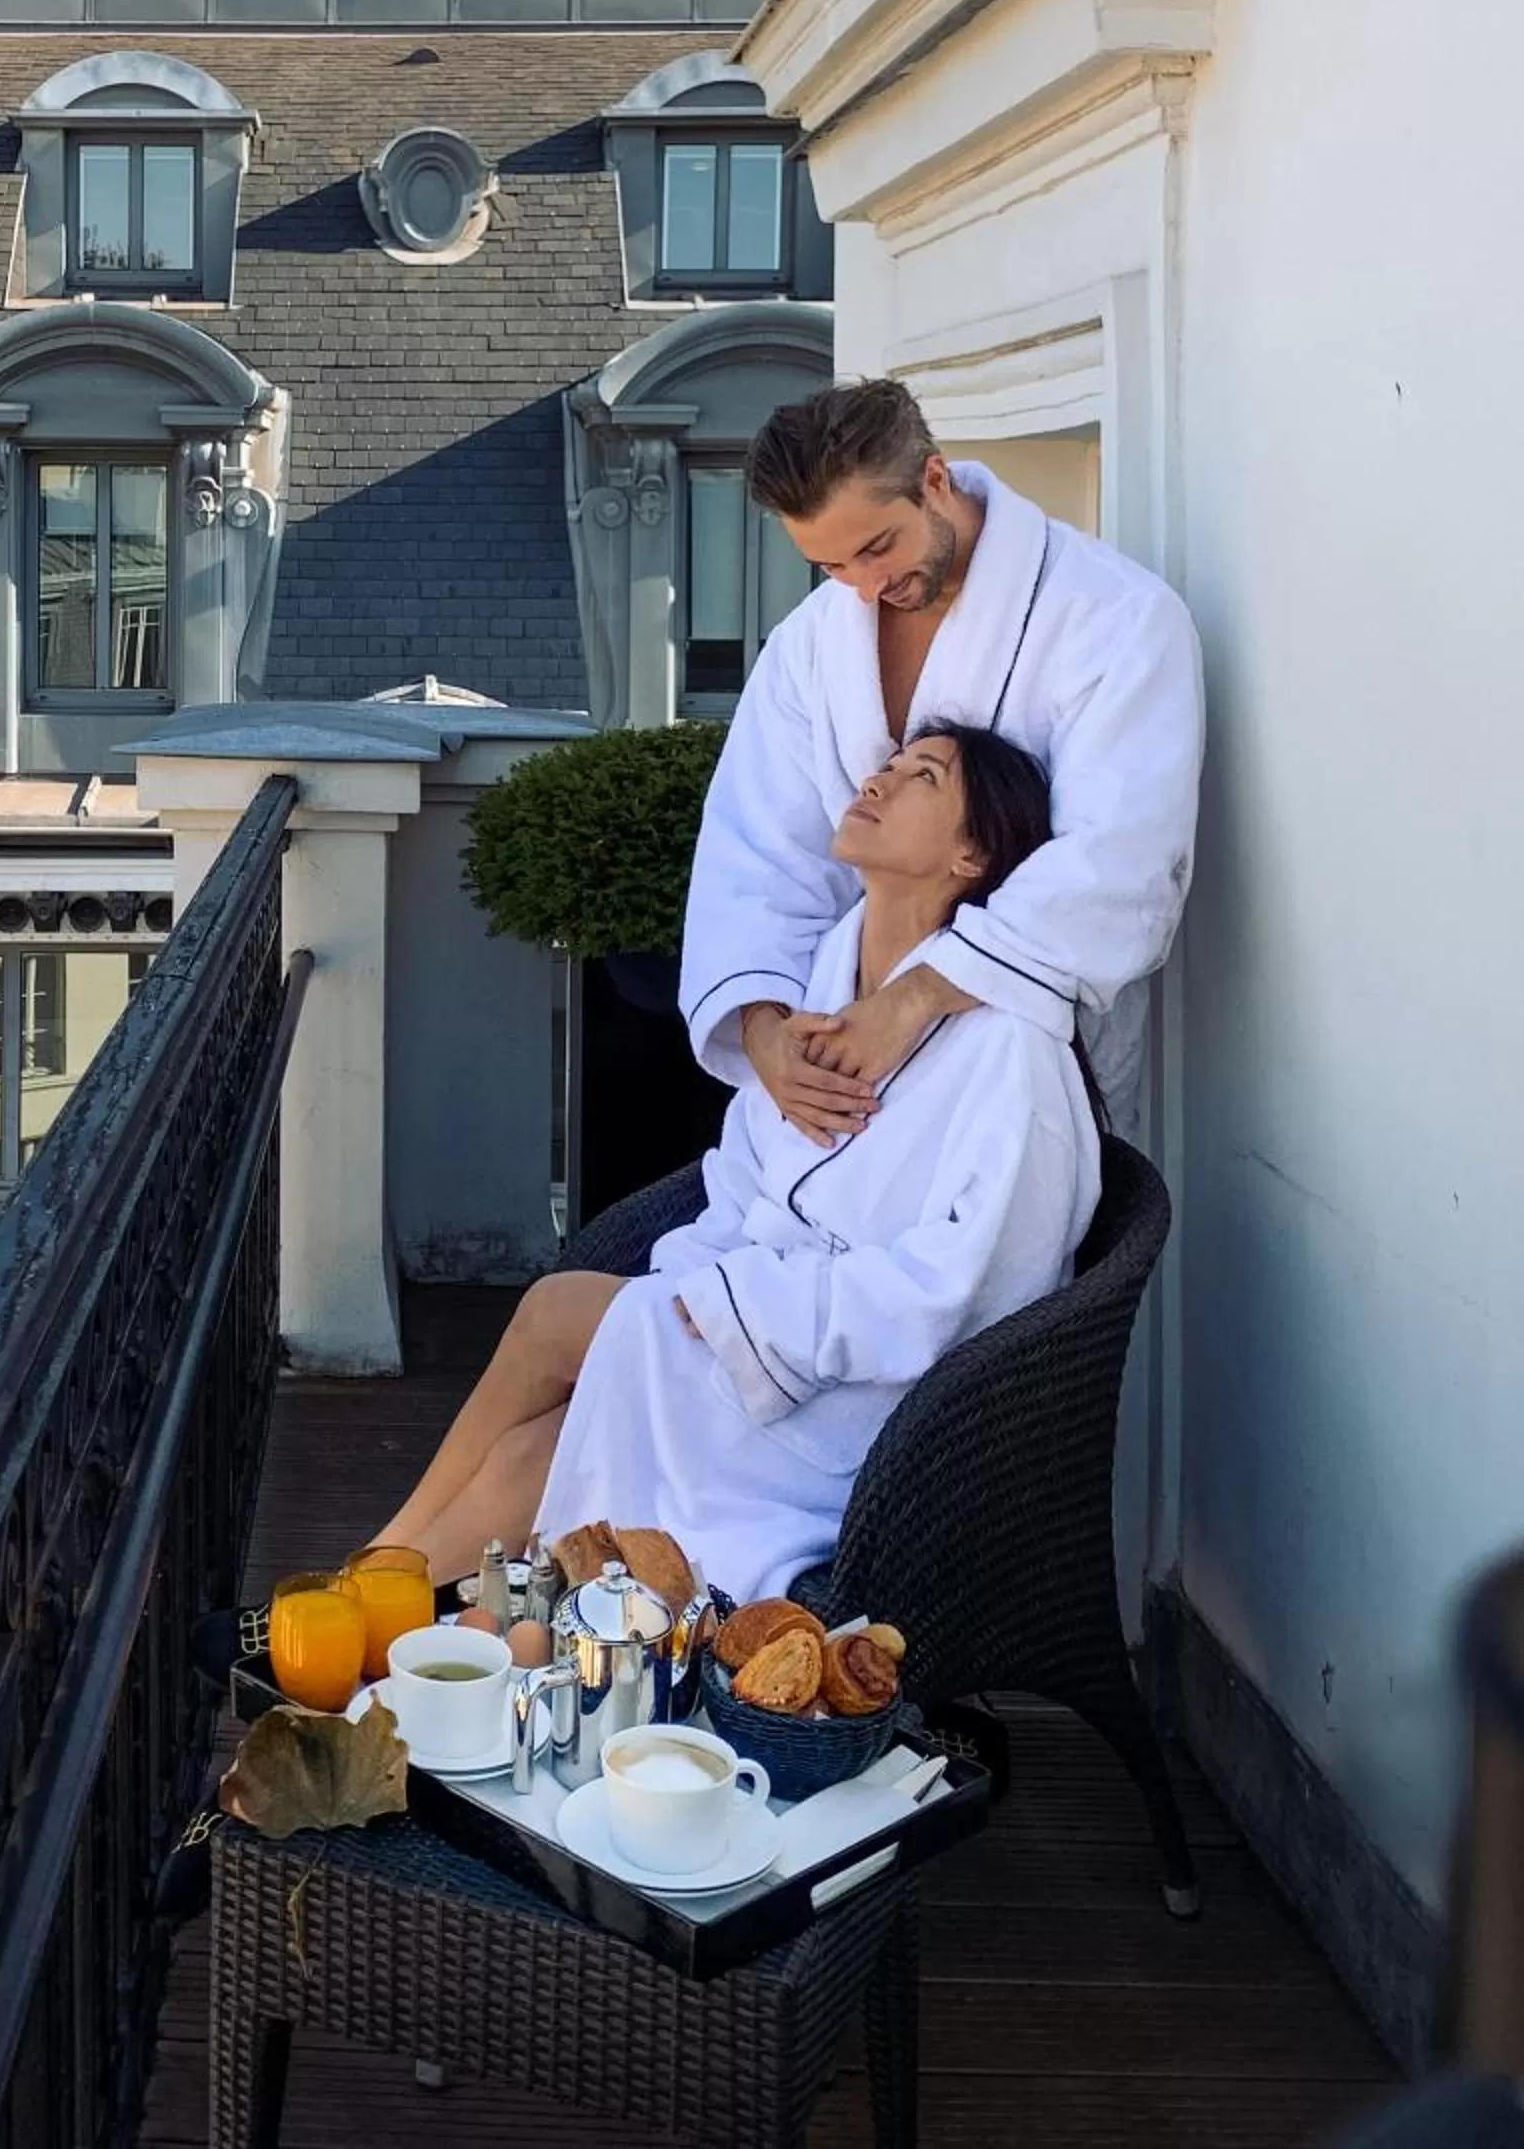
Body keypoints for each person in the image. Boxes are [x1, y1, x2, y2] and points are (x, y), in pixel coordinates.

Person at [375, 725, 1103, 1594]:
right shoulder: (832, 984)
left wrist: (739, 1307)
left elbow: (974, 1293)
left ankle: (349, 1599)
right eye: (889, 761)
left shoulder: (1011, 1052)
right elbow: (745, 1182)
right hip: (752, 1345)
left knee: (556, 1313)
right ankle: (358, 1602)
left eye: (922, 777)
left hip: (867, 1411)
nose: (880, 779)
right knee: (531, 1454)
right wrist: (707, 1291)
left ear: (973, 850)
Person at [681, 378, 1202, 1152]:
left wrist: (914, 1000)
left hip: (1023, 1069)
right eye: (829, 566)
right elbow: (758, 848)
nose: (864, 588)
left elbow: (1120, 861)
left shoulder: (1116, 619)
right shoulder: (811, 643)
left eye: (877, 547)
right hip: (839, 1076)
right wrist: (765, 1028)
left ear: (935, 478)